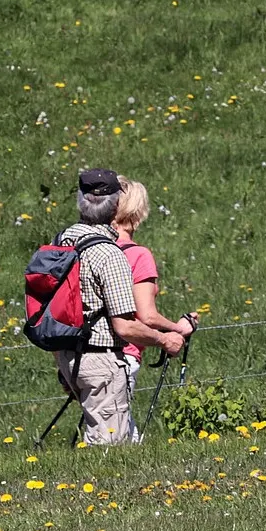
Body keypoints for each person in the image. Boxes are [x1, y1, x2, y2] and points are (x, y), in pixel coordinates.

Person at [54, 169, 184, 445]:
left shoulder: (63, 241)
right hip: (104, 356)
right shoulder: (111, 253)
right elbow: (129, 323)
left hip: (67, 353)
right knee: (109, 450)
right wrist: (167, 337)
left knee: (124, 440)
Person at [111, 176, 200, 439]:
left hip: (85, 357)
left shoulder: (93, 250)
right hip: (122, 355)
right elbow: (146, 315)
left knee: (109, 429)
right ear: (137, 215)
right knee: (118, 438)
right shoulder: (138, 255)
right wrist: (179, 328)